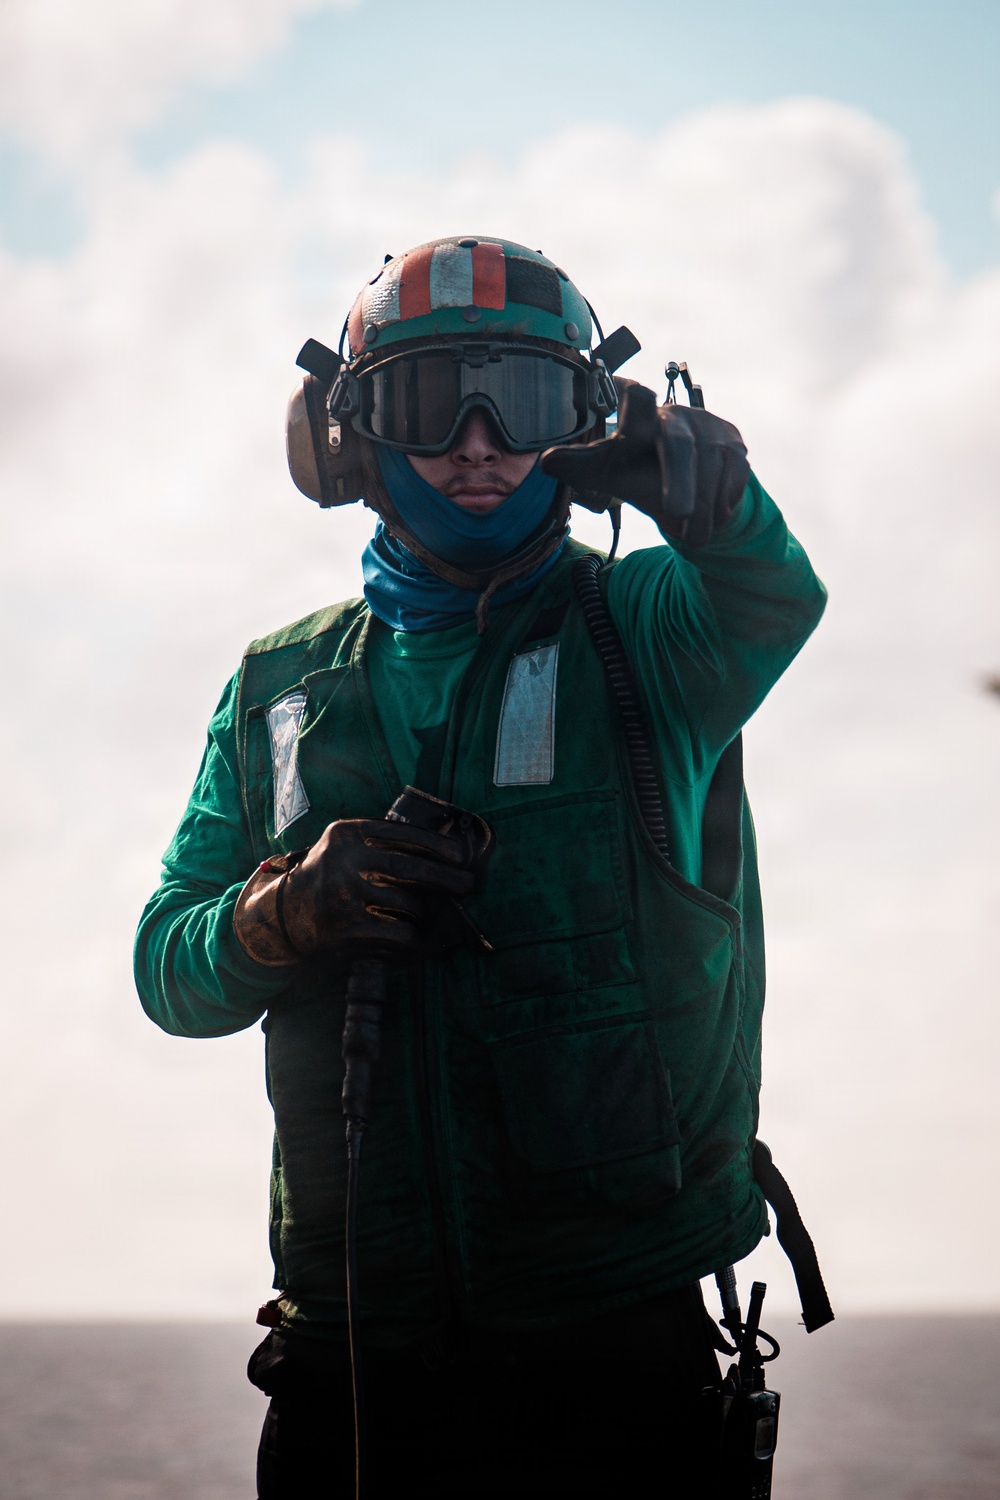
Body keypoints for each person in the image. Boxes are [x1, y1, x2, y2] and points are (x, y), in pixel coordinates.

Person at [134, 235, 827, 1498]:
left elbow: (768, 598)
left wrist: (712, 501)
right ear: (346, 439)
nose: (475, 440)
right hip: (353, 1352)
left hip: (615, 1350)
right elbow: (169, 968)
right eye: (425, 397)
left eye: (522, 398)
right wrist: (285, 913)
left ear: (580, 421)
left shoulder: (646, 630)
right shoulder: (274, 688)